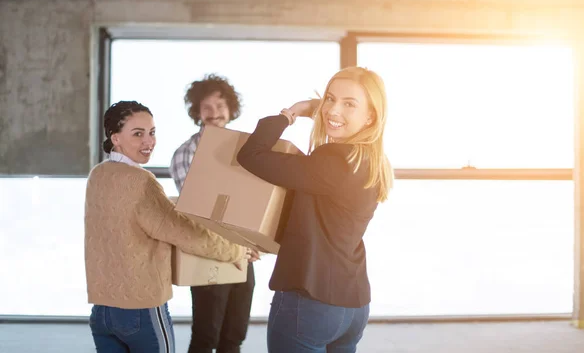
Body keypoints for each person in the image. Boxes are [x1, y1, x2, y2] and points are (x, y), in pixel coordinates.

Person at [237, 67, 393, 353]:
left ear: (370, 116)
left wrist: (290, 114)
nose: (334, 109)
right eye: (330, 99)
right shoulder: (370, 162)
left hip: (310, 300)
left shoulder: (332, 161)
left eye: (349, 104)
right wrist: (325, 113)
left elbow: (251, 155)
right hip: (353, 305)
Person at [85, 100, 251, 353]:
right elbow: (185, 233)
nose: (148, 142)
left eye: (151, 133)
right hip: (141, 310)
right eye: (138, 134)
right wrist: (237, 251)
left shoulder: (97, 175)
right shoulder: (141, 182)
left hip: (102, 312)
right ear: (115, 138)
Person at [169, 74, 256, 353]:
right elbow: (199, 210)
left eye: (220, 106)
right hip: (208, 250)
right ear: (197, 112)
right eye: (206, 107)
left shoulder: (245, 150)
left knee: (234, 336)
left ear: (230, 109)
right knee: (207, 337)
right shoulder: (185, 153)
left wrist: (252, 244)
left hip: (243, 252)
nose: (214, 113)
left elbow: (255, 203)